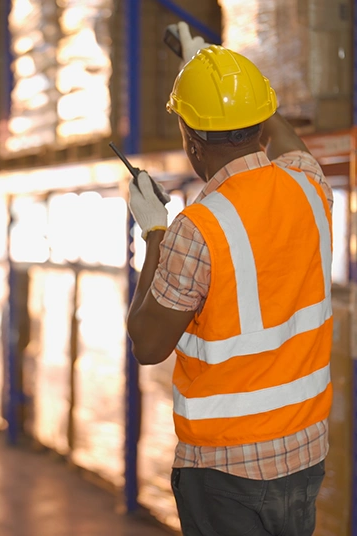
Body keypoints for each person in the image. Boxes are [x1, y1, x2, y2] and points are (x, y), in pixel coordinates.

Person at [126, 23, 332, 536]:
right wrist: (222, 77)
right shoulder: (310, 186)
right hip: (304, 451)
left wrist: (153, 233)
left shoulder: (196, 229)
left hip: (226, 469)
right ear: (259, 121)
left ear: (190, 141)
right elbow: (283, 136)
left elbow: (148, 343)